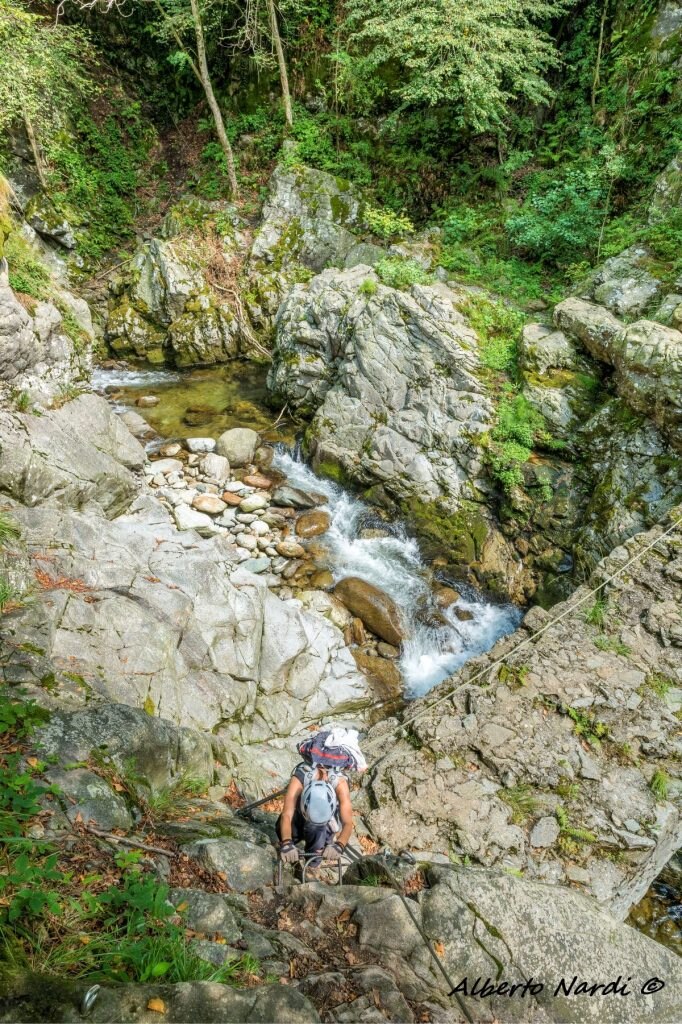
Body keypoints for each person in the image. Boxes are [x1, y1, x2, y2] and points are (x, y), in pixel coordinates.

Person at [276, 761, 354, 867]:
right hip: (300, 816)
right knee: (280, 828)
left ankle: (312, 865)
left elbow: (348, 822)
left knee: (316, 829)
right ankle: (292, 853)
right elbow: (287, 815)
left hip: (324, 827)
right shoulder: (301, 778)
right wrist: (286, 843)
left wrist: (339, 845)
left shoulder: (340, 784)